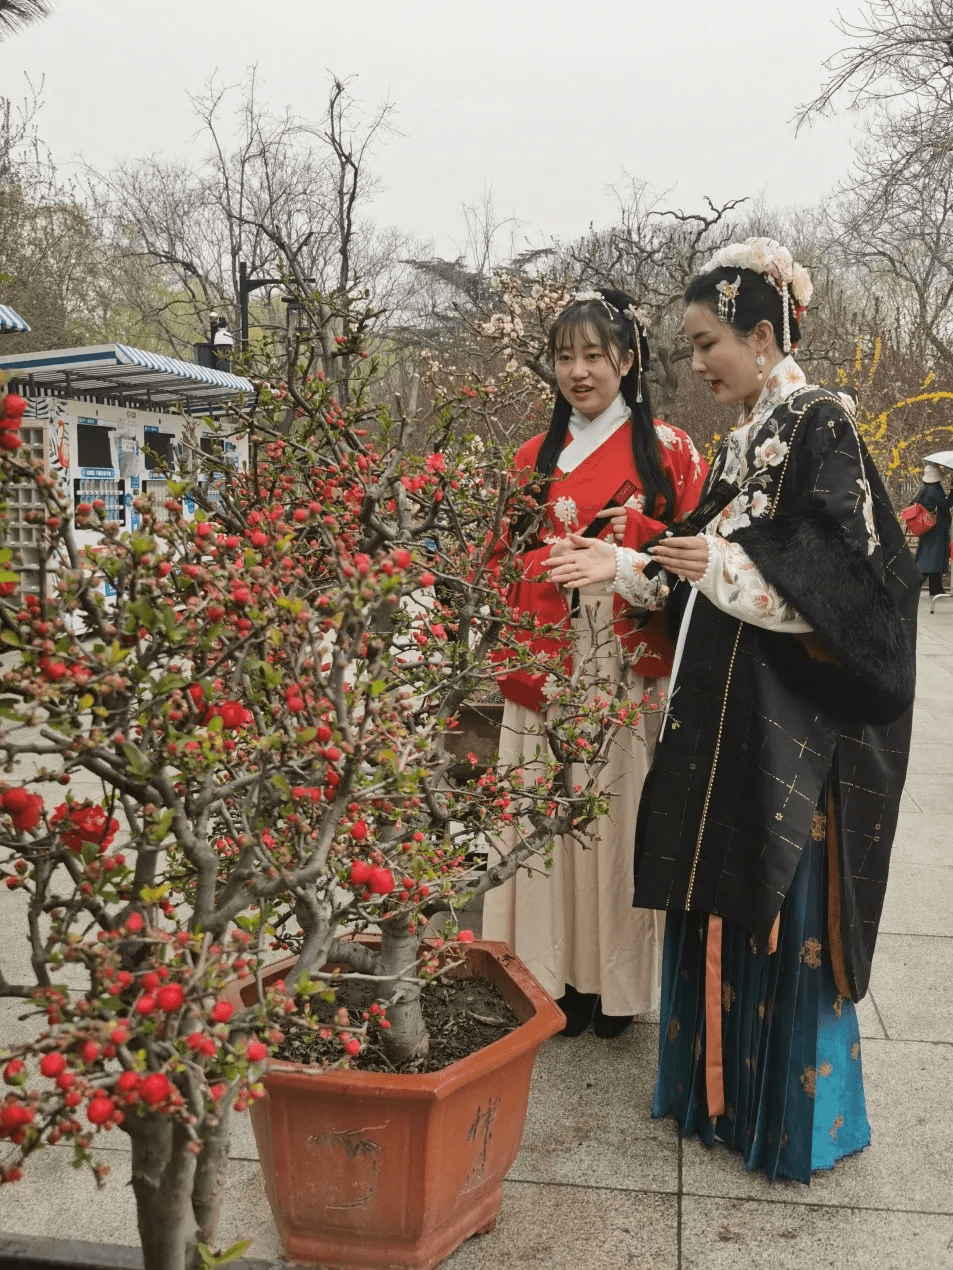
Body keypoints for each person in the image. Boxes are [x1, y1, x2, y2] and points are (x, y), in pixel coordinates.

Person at [546, 240, 920, 1181]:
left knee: (781, 908)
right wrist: (628, 567)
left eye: (705, 340)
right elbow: (700, 574)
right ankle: (719, 1107)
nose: (696, 360)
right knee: (721, 896)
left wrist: (713, 564)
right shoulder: (744, 436)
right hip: (723, 719)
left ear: (762, 335)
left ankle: (790, 1124)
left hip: (790, 731)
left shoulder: (818, 422)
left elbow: (851, 588)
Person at [482, 288, 708, 1038]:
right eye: (563, 357)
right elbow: (497, 557)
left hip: (620, 654)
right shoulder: (529, 457)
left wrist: (633, 540)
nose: (577, 372)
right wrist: (543, 567)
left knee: (615, 818)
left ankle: (614, 982)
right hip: (546, 651)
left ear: (627, 359)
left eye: (592, 355)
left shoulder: (671, 451)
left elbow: (697, 554)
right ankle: (547, 978)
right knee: (542, 812)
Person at [912, 462, 953, 596]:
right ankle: (916, 585)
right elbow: (946, 504)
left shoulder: (926, 487)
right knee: (931, 558)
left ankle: (936, 588)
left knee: (934, 557)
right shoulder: (933, 489)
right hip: (935, 528)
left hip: (930, 528)